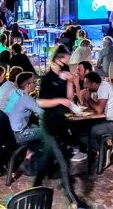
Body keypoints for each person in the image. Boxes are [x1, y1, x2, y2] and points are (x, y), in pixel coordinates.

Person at [31, 45, 87, 207]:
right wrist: (60, 101)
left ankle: (35, 186)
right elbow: (41, 102)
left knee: (47, 159)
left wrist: (71, 83)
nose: (67, 63)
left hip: (61, 122)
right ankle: (73, 200)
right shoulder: (48, 79)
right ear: (57, 59)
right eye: (65, 59)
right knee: (63, 161)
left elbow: (69, 98)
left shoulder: (64, 74)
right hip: (49, 123)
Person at [84, 71, 113, 147]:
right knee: (88, 126)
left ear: (93, 83)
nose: (86, 87)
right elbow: (96, 106)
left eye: (87, 84)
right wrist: (88, 100)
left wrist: (89, 99)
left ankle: (103, 153)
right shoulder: (103, 85)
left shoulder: (103, 88)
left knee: (92, 130)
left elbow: (99, 109)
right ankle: (101, 151)